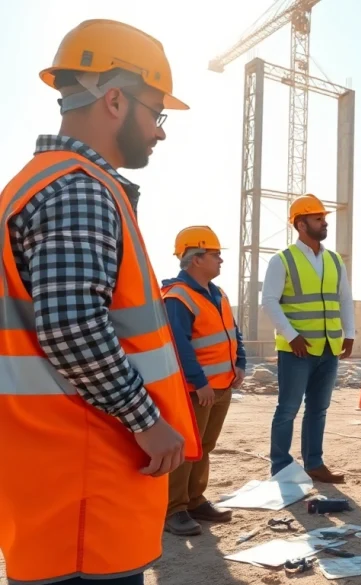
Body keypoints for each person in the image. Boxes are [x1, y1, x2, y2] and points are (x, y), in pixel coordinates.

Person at [0, 19, 200, 585]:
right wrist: (147, 421)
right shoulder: (79, 188)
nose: (159, 133)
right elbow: (71, 327)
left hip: (56, 476)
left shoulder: (36, 183)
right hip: (85, 482)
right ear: (115, 99)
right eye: (156, 114)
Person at [262, 194, 355, 483]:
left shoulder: (334, 259)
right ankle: (281, 467)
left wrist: (349, 334)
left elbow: (344, 299)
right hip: (296, 350)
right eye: (318, 218)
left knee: (319, 409)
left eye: (324, 218)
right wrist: (291, 336)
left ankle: (314, 464)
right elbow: (269, 301)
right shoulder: (282, 260)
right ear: (301, 224)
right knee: (288, 408)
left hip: (328, 347)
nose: (324, 223)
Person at [162, 226, 247, 536]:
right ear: (196, 259)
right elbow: (179, 345)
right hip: (197, 389)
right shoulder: (177, 298)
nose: (221, 259)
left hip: (222, 384)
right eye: (215, 254)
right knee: (187, 447)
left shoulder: (218, 292)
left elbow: (233, 331)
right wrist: (199, 383)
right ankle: (174, 508)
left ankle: (195, 500)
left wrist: (241, 363)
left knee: (205, 445)